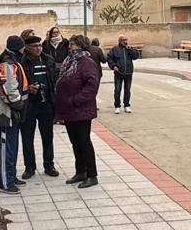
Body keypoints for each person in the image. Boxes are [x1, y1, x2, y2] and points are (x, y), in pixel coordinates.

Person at [56, 34, 101, 189]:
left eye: (73, 44)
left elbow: (92, 86)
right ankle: (80, 171)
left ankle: (92, 175)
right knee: (75, 143)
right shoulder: (69, 62)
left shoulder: (86, 62)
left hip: (81, 110)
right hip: (69, 110)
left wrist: (76, 99)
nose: (70, 47)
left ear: (80, 45)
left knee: (84, 142)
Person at [0, 36, 30, 194]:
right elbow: (9, 88)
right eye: (22, 48)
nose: (23, 50)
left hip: (12, 114)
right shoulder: (7, 64)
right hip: (5, 115)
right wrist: (19, 105)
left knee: (12, 147)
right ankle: (5, 183)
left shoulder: (12, 62)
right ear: (17, 49)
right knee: (6, 149)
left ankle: (11, 176)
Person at [19, 35, 60, 180]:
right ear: (27, 48)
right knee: (27, 137)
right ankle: (29, 167)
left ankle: (49, 165)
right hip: (29, 105)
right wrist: (26, 88)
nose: (38, 48)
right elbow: (17, 82)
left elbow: (54, 78)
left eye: (40, 45)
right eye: (35, 46)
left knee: (47, 136)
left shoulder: (48, 59)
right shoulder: (22, 62)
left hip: (46, 103)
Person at [107, 35, 137, 114]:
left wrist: (130, 49)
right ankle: (117, 106)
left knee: (127, 90)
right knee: (117, 90)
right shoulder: (115, 49)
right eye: (123, 40)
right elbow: (109, 58)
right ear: (120, 41)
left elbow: (135, 56)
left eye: (126, 40)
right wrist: (113, 66)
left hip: (128, 72)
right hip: (118, 73)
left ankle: (126, 105)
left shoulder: (129, 49)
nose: (125, 41)